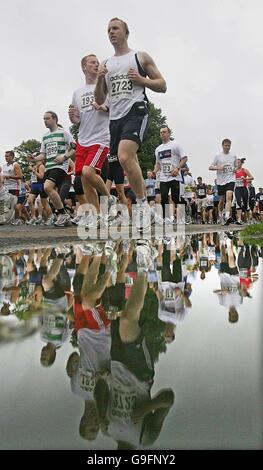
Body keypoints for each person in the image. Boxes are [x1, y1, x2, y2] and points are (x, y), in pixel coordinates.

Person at [94, 17, 167, 231]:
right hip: (115, 118)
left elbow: (162, 85)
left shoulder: (139, 57)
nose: (111, 32)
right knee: (130, 161)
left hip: (136, 110)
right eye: (108, 30)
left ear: (126, 33)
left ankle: (143, 207)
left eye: (115, 28)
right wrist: (99, 79)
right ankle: (149, 210)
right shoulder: (105, 64)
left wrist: (142, 80)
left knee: (125, 156)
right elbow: (99, 100)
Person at [68, 54, 117, 228]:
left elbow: (114, 108)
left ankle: (110, 198)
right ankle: (97, 217)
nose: (96, 65)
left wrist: (103, 106)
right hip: (83, 139)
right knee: (83, 179)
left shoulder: (105, 85)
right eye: (92, 62)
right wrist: (73, 118)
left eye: (98, 62)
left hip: (100, 138)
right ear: (84, 67)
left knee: (89, 172)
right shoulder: (77, 93)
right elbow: (77, 120)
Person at [28, 111, 75, 226]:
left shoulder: (63, 133)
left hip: (60, 166)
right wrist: (34, 159)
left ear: (55, 119)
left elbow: (75, 147)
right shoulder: (45, 136)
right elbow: (43, 155)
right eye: (43, 119)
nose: (45, 121)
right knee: (50, 191)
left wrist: (64, 157)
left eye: (47, 118)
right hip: (49, 166)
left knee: (47, 187)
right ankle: (62, 214)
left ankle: (62, 214)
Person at [153, 126, 187, 223]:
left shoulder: (175, 145)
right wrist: (154, 172)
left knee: (175, 198)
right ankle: (167, 218)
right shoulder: (158, 149)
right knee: (163, 196)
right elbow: (158, 163)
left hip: (174, 176)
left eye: (164, 132)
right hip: (164, 177)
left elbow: (184, 158)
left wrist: (177, 168)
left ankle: (184, 210)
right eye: (161, 132)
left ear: (169, 133)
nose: (162, 134)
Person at [209, 138, 237, 225]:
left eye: (229, 146)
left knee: (229, 197)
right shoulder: (218, 156)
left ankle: (227, 216)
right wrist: (218, 168)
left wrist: (235, 169)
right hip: (221, 181)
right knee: (222, 200)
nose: (227, 147)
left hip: (230, 179)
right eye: (226, 146)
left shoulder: (233, 156)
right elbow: (210, 167)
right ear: (222, 146)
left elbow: (236, 166)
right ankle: (220, 215)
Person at [234, 158, 253, 225]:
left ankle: (249, 219)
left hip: (244, 188)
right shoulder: (234, 171)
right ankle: (239, 220)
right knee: (238, 203)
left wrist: (245, 178)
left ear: (241, 163)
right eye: (237, 163)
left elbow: (252, 177)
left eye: (239, 163)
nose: (238, 164)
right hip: (237, 189)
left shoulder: (244, 170)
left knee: (246, 205)